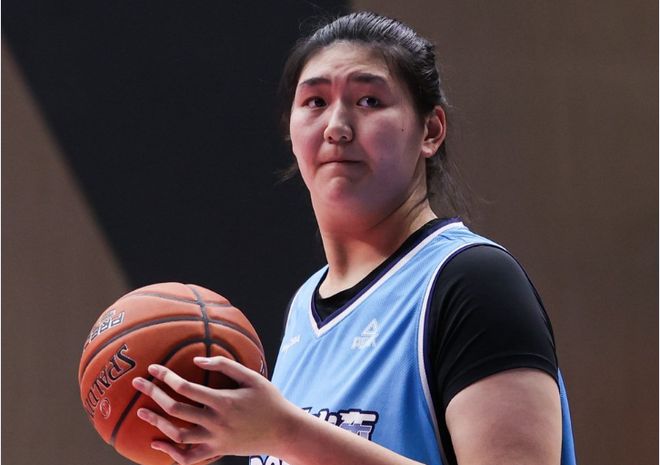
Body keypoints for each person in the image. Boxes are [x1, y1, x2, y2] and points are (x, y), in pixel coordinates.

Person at [131, 11, 577, 465]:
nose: (337, 127)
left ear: (430, 131)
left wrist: (285, 434)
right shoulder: (304, 311)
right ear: (290, 133)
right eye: (315, 102)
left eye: (368, 101)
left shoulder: (474, 283)